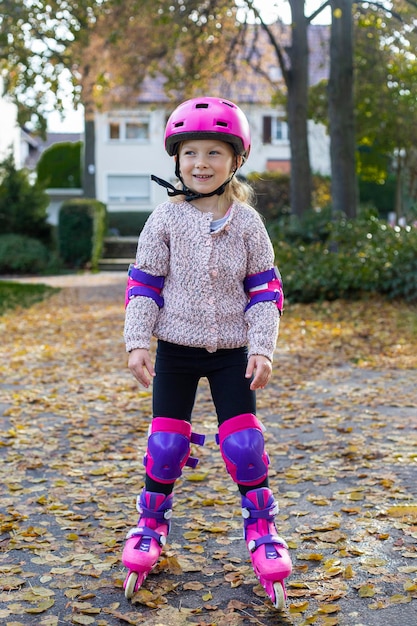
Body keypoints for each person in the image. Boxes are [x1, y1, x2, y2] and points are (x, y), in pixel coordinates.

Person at [122, 96, 292, 609]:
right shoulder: (164, 220)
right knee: (166, 445)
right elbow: (144, 286)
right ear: (177, 159)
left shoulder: (248, 224)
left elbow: (266, 291)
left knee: (244, 445)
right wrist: (137, 341)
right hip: (175, 346)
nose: (201, 163)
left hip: (232, 352)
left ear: (235, 160)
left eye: (214, 153)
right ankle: (151, 524)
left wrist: (262, 346)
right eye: (191, 152)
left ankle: (262, 531)